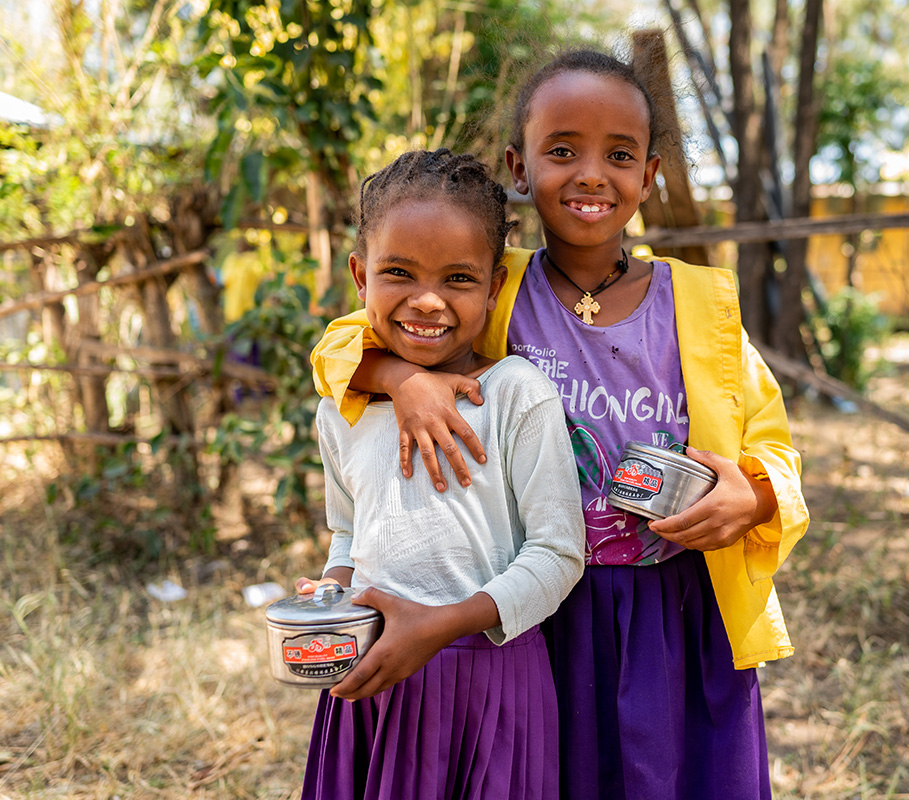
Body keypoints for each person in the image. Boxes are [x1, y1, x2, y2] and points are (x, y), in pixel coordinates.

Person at [310, 51, 811, 800]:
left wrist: (756, 497)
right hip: (541, 608)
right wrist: (401, 379)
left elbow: (773, 446)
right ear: (520, 165)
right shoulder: (487, 281)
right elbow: (342, 344)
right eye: (562, 150)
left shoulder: (699, 306)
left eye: (618, 155)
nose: (589, 174)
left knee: (667, 776)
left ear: (649, 176)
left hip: (674, 612)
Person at [296, 148, 585, 800]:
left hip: (491, 683)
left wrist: (445, 623)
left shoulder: (515, 394)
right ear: (360, 277)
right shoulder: (339, 408)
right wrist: (332, 595)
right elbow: (347, 536)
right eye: (399, 272)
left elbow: (561, 553)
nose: (427, 300)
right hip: (376, 676)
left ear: (495, 286)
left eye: (457, 278)